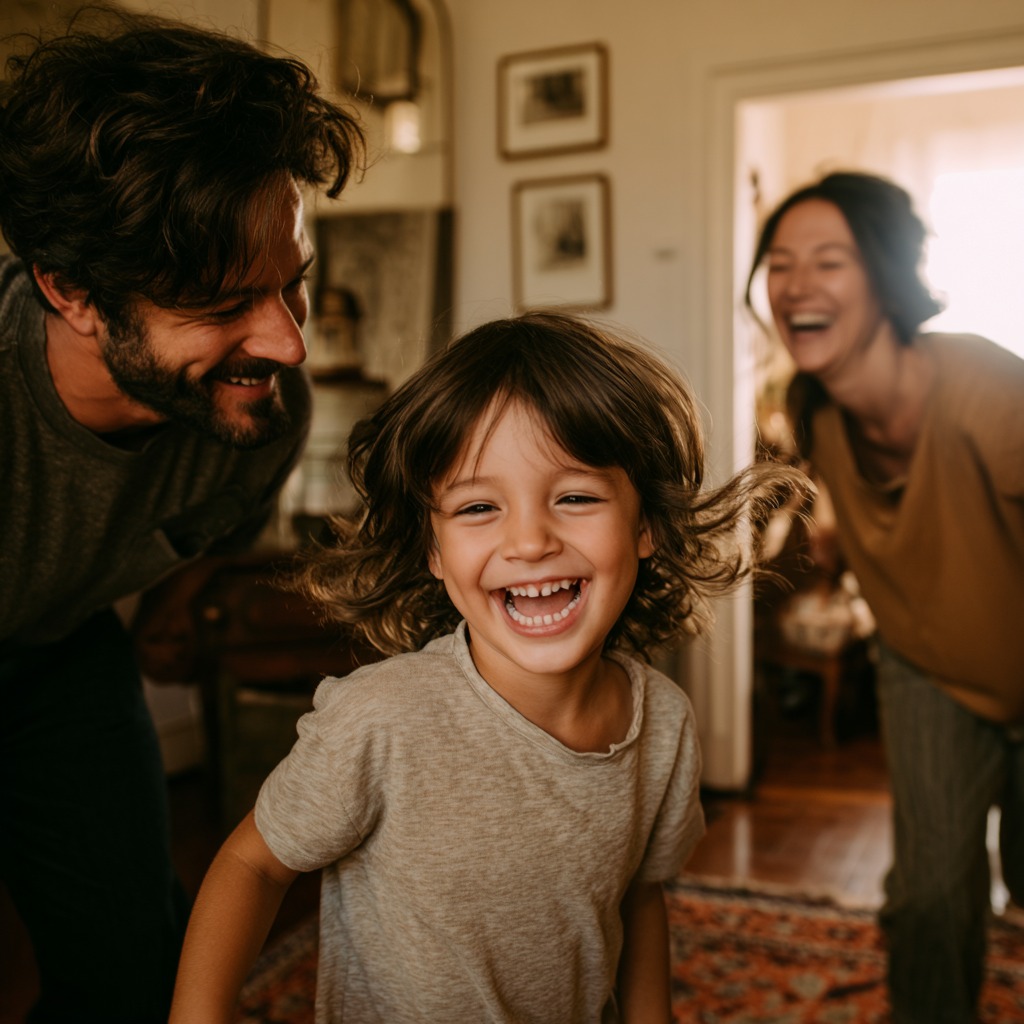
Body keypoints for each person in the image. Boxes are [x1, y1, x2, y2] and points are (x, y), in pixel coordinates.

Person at [168, 312, 804, 1023]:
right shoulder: (383, 720)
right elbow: (252, 865)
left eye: (576, 497)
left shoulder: (662, 724)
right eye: (478, 506)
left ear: (646, 525)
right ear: (433, 551)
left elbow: (638, 895)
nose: (529, 540)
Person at [0, 6, 364, 1022]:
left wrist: (176, 596)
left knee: (134, 965)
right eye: (220, 306)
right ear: (72, 290)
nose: (286, 346)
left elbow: (208, 529)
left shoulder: (257, 419)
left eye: (289, 286)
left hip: (56, 653)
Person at [745, 170, 1024, 1024]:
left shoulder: (983, 387)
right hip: (926, 668)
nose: (797, 285)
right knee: (931, 898)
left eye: (829, 260)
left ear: (888, 277)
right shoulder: (818, 416)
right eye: (780, 263)